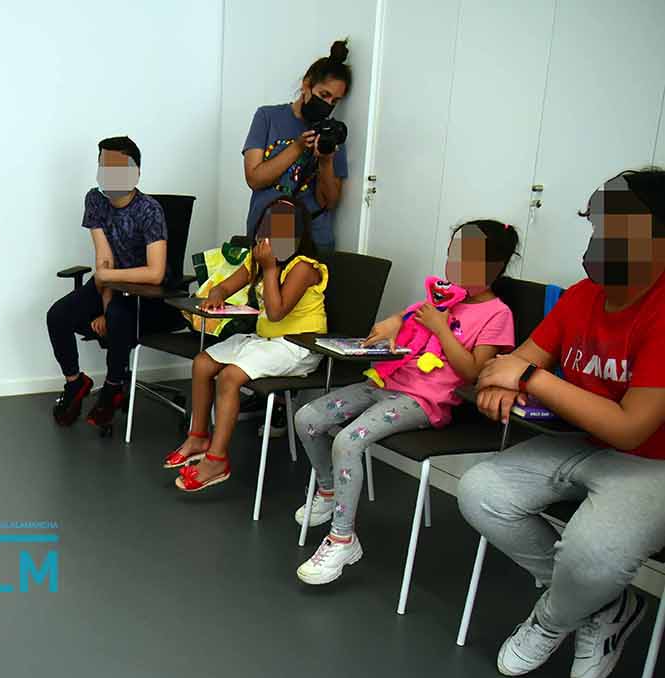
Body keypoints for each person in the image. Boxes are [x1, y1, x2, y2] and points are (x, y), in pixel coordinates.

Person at [457, 169, 665, 678]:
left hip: (650, 462)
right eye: (599, 225)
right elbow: (511, 362)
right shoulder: (581, 296)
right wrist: (508, 379)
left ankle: (552, 619)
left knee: (591, 552)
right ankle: (604, 604)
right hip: (578, 442)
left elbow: (630, 429)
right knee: (480, 490)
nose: (600, 238)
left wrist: (528, 379)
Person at [293, 220, 519, 584]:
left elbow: (474, 372)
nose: (457, 266)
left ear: (496, 267)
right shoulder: (442, 297)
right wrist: (393, 323)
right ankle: (329, 488)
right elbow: (407, 318)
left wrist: (442, 328)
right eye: (454, 256)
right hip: (387, 382)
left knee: (347, 441)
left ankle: (342, 538)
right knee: (307, 417)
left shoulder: (497, 314)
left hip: (425, 401)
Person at [164, 199, 327, 492]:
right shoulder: (257, 258)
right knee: (202, 363)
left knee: (229, 376)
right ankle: (198, 437)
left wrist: (269, 269)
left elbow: (276, 312)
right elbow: (226, 285)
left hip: (298, 346)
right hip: (266, 340)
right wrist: (217, 294)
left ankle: (217, 460)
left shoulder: (303, 267)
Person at [47, 136, 185, 428]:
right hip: (111, 284)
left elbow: (155, 272)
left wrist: (108, 299)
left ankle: (112, 387)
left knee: (119, 316)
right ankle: (75, 382)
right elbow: (104, 259)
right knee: (58, 315)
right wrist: (104, 303)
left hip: (147, 294)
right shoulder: (95, 200)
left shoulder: (149, 210)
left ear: (136, 173)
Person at [242, 40, 352, 258]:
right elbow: (254, 179)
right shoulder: (268, 117)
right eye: (324, 95)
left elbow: (329, 202)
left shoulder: (330, 133)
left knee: (305, 280)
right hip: (271, 228)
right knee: (270, 278)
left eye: (335, 101)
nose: (328, 105)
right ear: (306, 85)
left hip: (314, 232)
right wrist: (298, 147)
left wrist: (326, 161)